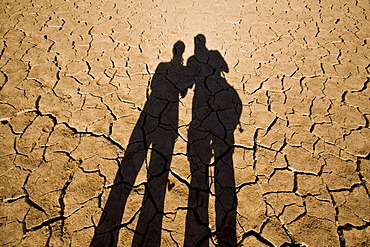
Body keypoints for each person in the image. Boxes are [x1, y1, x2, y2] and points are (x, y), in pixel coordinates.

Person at [90, 41, 193, 247]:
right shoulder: (182, 71)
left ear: (173, 51)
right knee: (159, 162)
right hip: (169, 116)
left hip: (151, 110)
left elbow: (154, 86)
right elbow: (182, 92)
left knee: (136, 156)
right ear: (182, 54)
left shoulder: (162, 66)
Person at [184, 34, 242, 246]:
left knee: (202, 150)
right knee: (221, 155)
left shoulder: (192, 60)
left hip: (201, 101)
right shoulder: (214, 55)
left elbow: (189, 83)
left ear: (196, 45)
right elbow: (225, 69)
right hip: (213, 99)